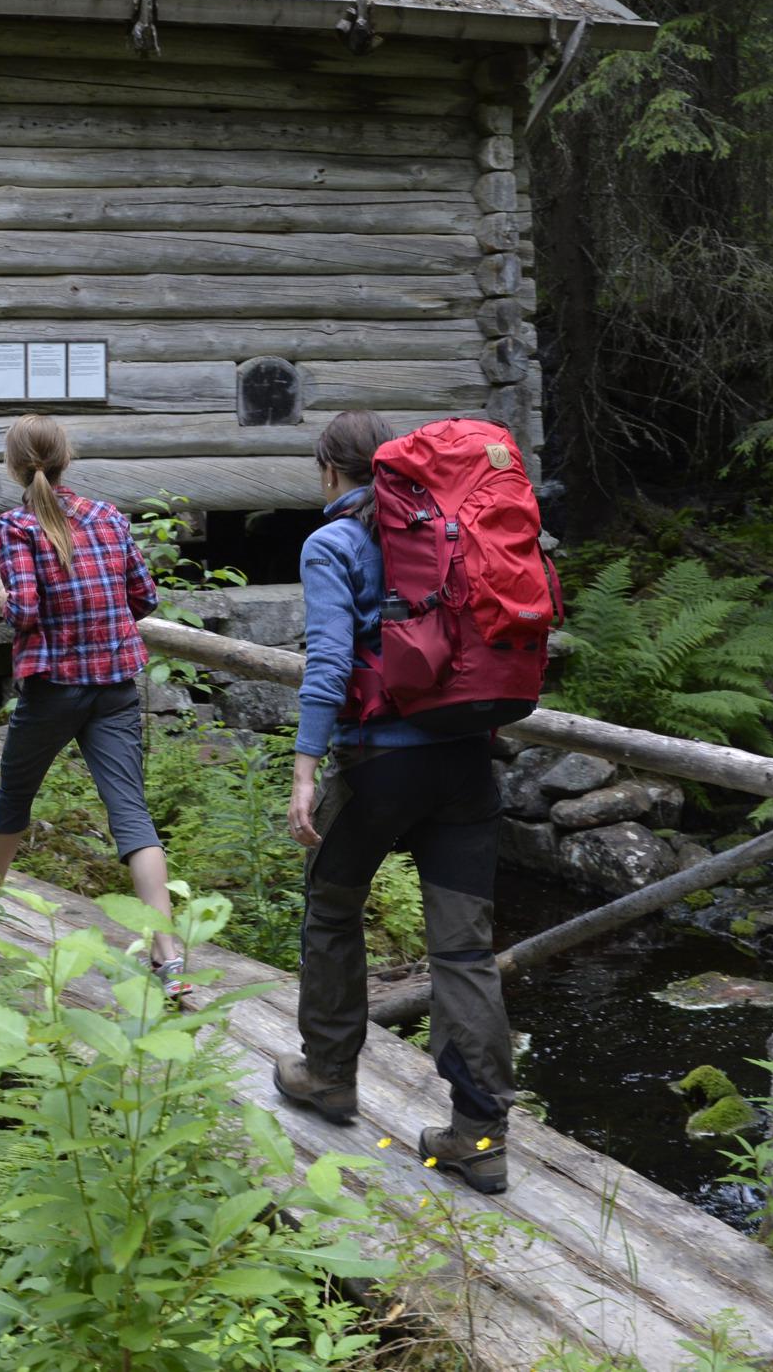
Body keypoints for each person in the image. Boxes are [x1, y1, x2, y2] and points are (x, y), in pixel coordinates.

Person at [271, 409, 516, 1193]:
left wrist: (305, 766)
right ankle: (479, 1137)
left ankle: (329, 1075)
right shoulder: (448, 531)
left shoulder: (333, 543)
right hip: (466, 762)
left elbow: (329, 661)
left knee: (333, 907)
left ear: (328, 469)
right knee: (464, 951)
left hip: (379, 766)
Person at [0, 415, 191, 1004]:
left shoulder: (18, 525)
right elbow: (145, 597)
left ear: (13, 466)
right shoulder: (108, 516)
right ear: (66, 459)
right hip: (115, 683)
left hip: (54, 686)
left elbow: (25, 612)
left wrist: (4, 598)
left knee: (14, 794)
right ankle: (169, 956)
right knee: (131, 814)